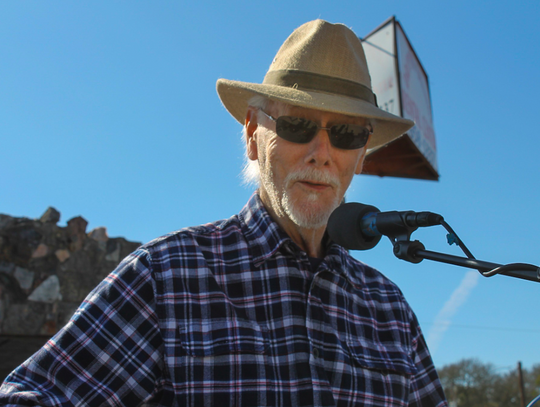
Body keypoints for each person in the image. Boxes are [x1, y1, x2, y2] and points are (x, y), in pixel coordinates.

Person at [0, 20, 447, 406]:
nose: (321, 153)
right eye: (298, 124)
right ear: (254, 133)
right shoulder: (167, 275)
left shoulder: (390, 310)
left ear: (362, 153)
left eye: (347, 133)